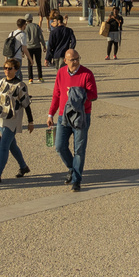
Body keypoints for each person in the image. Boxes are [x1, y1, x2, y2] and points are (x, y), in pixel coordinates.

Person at [50, 46, 97, 191]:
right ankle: (72, 168)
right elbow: (56, 94)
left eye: (77, 59)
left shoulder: (87, 74)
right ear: (65, 60)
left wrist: (78, 93)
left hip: (81, 116)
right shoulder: (60, 73)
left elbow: (93, 95)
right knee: (59, 146)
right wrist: (50, 114)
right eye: (72, 60)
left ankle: (77, 180)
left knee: (79, 149)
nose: (75, 62)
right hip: (63, 116)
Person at [0, 56, 34, 183]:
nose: (7, 71)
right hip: (1, 118)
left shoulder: (20, 85)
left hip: (12, 119)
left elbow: (27, 104)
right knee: (12, 145)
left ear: (16, 70)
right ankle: (23, 167)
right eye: (5, 68)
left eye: (10, 68)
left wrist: (31, 122)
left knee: (4, 147)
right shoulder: (2, 81)